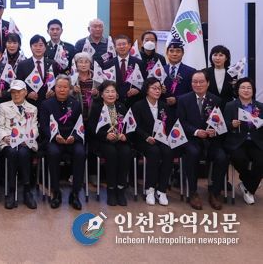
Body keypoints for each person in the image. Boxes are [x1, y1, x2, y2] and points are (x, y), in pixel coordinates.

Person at [177, 70, 227, 210]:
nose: (198, 85)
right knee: (192, 153)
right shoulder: (183, 100)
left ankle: (215, 193)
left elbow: (220, 122)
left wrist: (214, 130)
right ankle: (193, 192)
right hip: (191, 138)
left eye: (201, 82)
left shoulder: (216, 100)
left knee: (222, 157)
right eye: (195, 82)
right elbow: (181, 122)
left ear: (208, 83)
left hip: (211, 140)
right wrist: (197, 132)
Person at [41, 75, 85, 210]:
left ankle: (75, 193)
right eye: (59, 87)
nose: (62, 90)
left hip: (72, 139)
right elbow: (44, 126)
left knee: (80, 152)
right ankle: (56, 192)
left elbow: (80, 125)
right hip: (54, 139)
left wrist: (75, 137)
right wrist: (55, 136)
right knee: (53, 153)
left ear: (69, 89)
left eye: (65, 87)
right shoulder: (46, 104)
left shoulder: (75, 104)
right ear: (54, 88)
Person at [131, 77, 174, 206]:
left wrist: (166, 135)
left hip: (161, 139)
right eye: (154, 88)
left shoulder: (164, 106)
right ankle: (149, 189)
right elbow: (134, 126)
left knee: (168, 152)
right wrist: (146, 137)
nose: (157, 91)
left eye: (159, 88)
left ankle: (162, 190)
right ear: (147, 89)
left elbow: (169, 125)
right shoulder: (138, 105)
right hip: (143, 140)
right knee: (154, 152)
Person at [87, 81, 131, 207]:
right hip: (102, 141)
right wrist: (105, 135)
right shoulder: (97, 107)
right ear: (102, 94)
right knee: (111, 153)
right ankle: (111, 190)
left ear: (117, 94)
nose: (110, 94)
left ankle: (121, 189)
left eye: (113, 91)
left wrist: (125, 135)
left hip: (119, 140)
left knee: (126, 152)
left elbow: (129, 126)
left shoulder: (121, 107)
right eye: (107, 92)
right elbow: (91, 128)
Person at [0, 80, 39, 209]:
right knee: (12, 152)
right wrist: (5, 137)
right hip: (8, 142)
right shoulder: (3, 106)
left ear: (25, 92)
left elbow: (35, 128)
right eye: (13, 92)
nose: (16, 94)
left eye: (19, 92)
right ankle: (11, 191)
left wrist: (29, 138)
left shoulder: (33, 108)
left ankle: (27, 191)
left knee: (24, 152)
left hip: (26, 142)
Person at [223, 78, 263, 205]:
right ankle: (250, 183)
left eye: (249, 88)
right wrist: (232, 124)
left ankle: (247, 186)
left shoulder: (260, 106)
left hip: (256, 141)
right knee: (239, 158)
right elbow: (224, 125)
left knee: (261, 160)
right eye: (243, 88)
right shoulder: (230, 106)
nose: (246, 90)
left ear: (253, 90)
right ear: (237, 90)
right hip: (237, 141)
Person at [102, 34, 145, 107]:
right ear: (115, 47)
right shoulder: (108, 64)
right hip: (115, 102)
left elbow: (145, 81)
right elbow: (105, 83)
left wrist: (138, 90)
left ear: (129, 45)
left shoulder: (139, 63)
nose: (121, 47)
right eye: (119, 45)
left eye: (124, 44)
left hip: (134, 102)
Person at [16, 34, 59, 108]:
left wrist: (53, 90)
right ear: (31, 47)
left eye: (41, 45)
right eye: (35, 45)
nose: (38, 48)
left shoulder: (53, 64)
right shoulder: (22, 65)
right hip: (30, 104)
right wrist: (27, 93)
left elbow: (58, 81)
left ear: (45, 47)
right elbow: (19, 83)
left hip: (49, 103)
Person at [163, 41, 196, 114]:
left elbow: (194, 92)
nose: (174, 54)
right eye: (171, 51)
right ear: (167, 53)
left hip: (183, 110)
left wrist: (177, 99)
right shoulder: (160, 70)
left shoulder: (191, 71)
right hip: (163, 110)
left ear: (183, 53)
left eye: (178, 51)